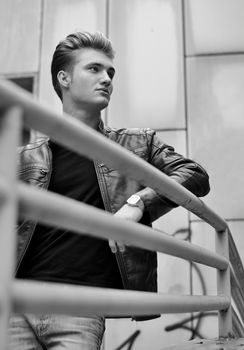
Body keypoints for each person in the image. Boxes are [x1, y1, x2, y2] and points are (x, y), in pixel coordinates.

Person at [8, 31, 210, 349]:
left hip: (81, 307)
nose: (107, 79)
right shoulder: (23, 157)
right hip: (16, 304)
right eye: (94, 69)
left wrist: (139, 202)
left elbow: (195, 175)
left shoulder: (137, 143)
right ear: (64, 78)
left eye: (110, 72)